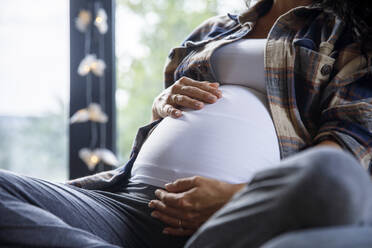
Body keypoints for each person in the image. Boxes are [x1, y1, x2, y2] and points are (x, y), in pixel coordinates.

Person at [0, 0, 371, 247]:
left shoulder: (348, 34)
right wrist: (161, 104)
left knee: (334, 175)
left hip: (234, 216)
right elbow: (170, 122)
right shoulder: (213, 29)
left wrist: (232, 198)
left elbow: (349, 141)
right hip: (132, 201)